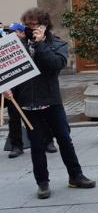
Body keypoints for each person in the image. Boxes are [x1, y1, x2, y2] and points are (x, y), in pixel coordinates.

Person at [3, 8, 95, 199]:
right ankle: (42, 183)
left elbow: (55, 65)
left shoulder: (56, 44)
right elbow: (7, 71)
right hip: (27, 102)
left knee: (64, 139)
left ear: (44, 25)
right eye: (27, 25)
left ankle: (75, 176)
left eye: (34, 25)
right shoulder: (17, 45)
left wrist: (41, 44)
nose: (30, 28)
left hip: (51, 101)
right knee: (36, 145)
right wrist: (6, 87)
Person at [5, 22, 58, 158]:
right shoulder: (7, 46)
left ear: (22, 33)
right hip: (14, 88)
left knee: (42, 114)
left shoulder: (30, 44)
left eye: (15, 32)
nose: (12, 34)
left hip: (33, 87)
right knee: (14, 118)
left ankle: (48, 142)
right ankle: (16, 145)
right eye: (10, 32)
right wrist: (4, 87)